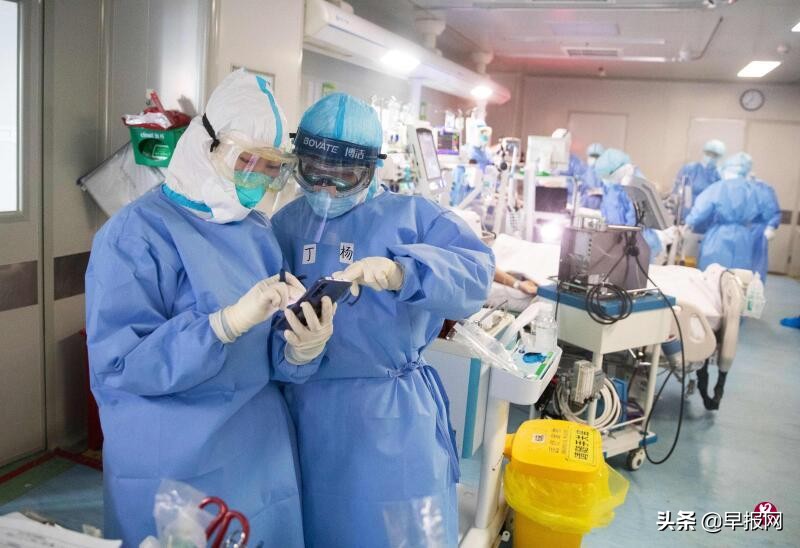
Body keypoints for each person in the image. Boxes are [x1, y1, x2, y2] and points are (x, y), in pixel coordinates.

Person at [85, 70, 335, 546]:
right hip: (174, 461)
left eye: (271, 168)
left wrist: (300, 349)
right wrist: (221, 326)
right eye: (248, 161)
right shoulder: (135, 234)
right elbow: (120, 365)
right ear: (208, 145)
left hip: (259, 453)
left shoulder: (257, 232)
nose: (258, 178)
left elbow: (271, 352)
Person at [271, 93, 494, 547]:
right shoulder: (285, 223)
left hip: (393, 419)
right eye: (314, 172)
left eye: (345, 176)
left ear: (372, 169)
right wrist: (296, 350)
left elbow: (475, 275)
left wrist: (404, 272)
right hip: (307, 415)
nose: (327, 190)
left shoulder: (413, 217)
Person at [685, 152, 759, 271]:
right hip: (743, 238)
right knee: (738, 275)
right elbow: (766, 212)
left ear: (727, 169)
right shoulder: (753, 189)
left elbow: (702, 207)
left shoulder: (720, 187)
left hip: (720, 237)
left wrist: (689, 222)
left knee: (713, 273)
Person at [594, 148, 663, 260]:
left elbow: (635, 220)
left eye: (610, 174)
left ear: (620, 169)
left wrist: (625, 237)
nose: (607, 180)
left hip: (637, 242)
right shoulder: (613, 185)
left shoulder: (637, 184)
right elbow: (608, 209)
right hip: (617, 239)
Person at [673, 139, 725, 221]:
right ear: (703, 153)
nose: (710, 157)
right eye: (708, 154)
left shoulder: (718, 176)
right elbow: (676, 192)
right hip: (684, 215)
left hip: (705, 218)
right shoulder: (690, 169)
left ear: (719, 157)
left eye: (714, 155)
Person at [750, 177, 781, 280]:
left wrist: (771, 226)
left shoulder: (761, 188)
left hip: (756, 232)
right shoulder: (722, 185)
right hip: (731, 233)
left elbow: (772, 209)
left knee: (754, 267)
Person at [580, 142, 605, 209]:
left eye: (597, 157)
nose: (594, 159)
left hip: (600, 209)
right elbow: (577, 189)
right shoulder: (583, 171)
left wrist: (601, 191)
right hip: (584, 207)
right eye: (592, 156)